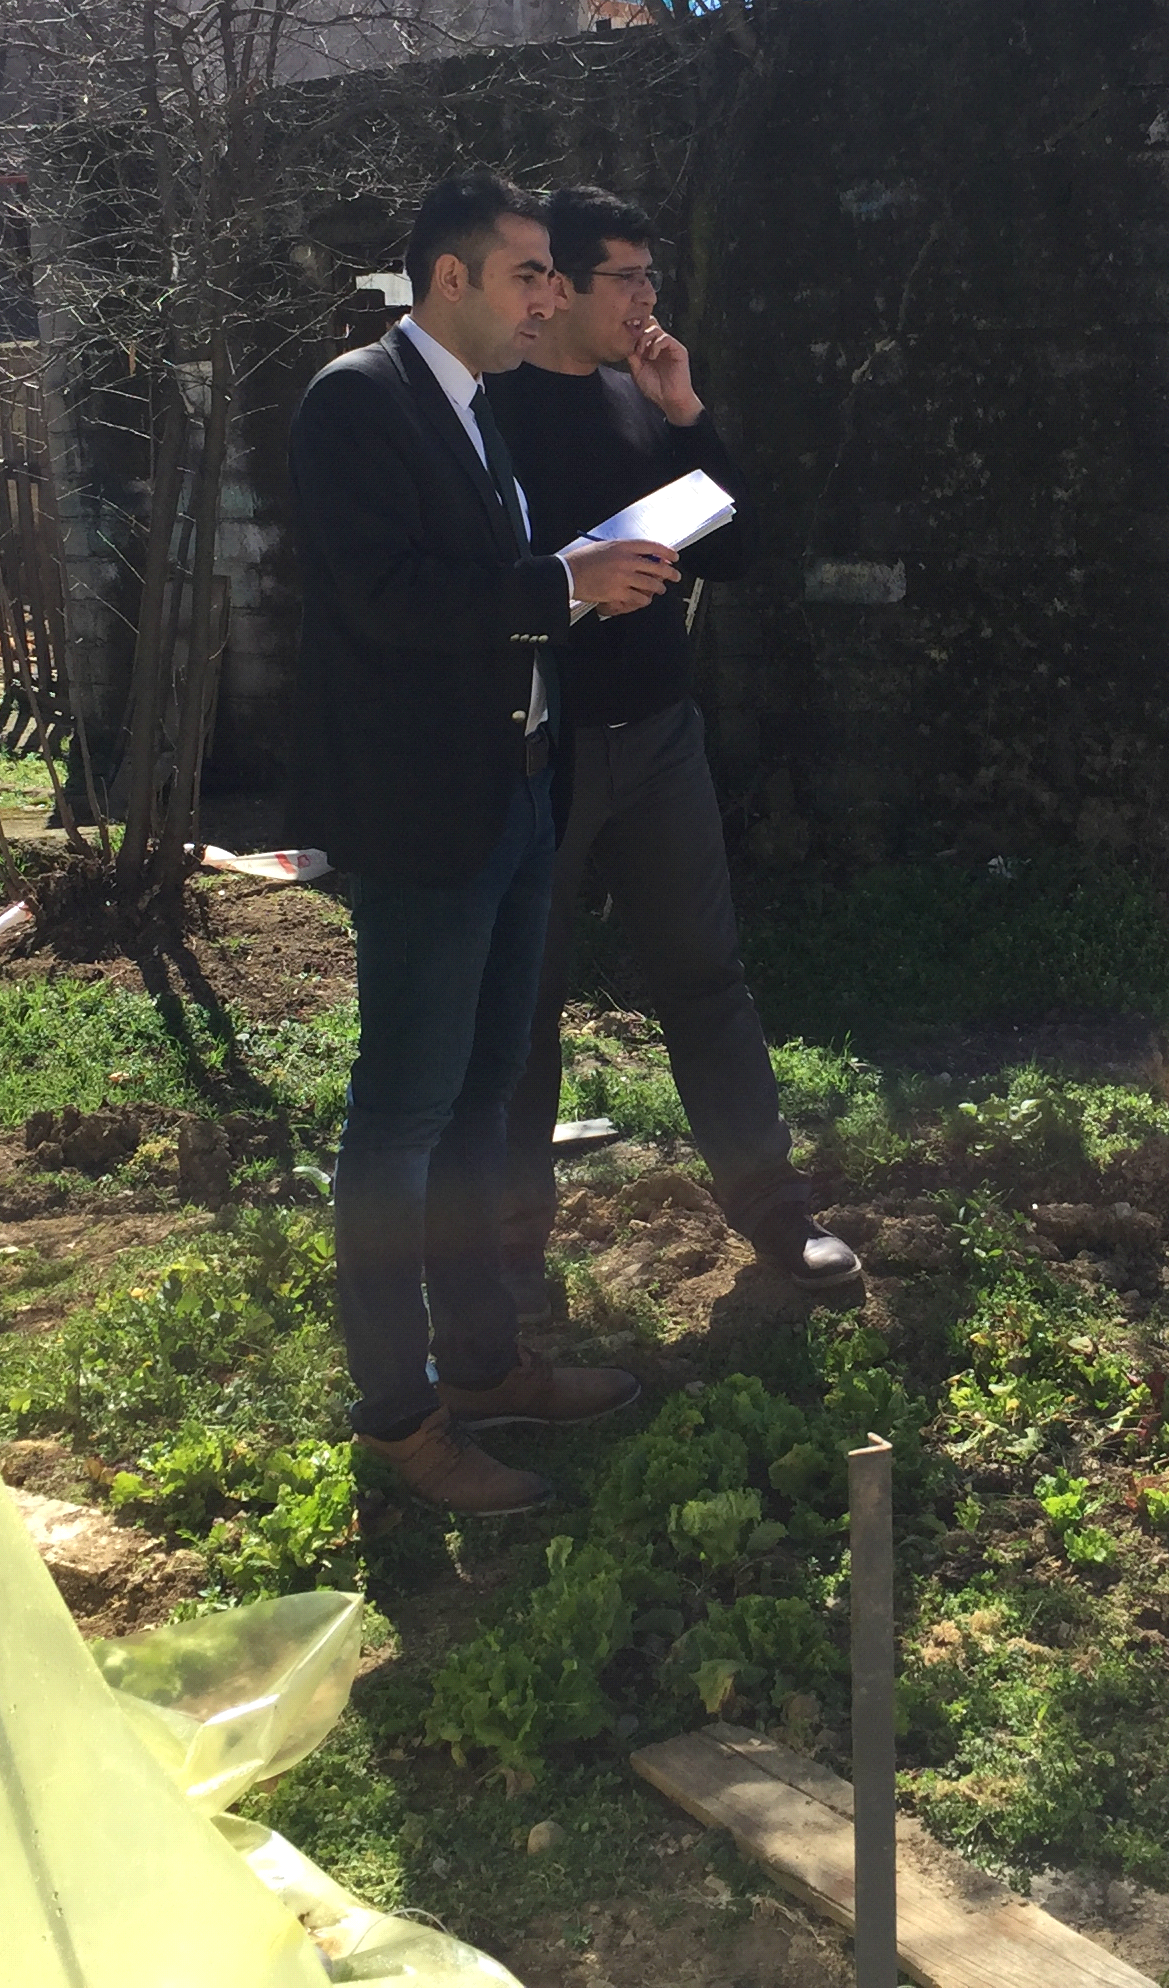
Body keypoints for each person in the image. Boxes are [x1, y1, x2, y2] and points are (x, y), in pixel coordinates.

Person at [283, 168, 681, 1517]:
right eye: (529, 275)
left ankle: (485, 1363)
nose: (551, 298)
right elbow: (385, 599)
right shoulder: (357, 401)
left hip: (512, 798)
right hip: (421, 817)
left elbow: (484, 595)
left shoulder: (473, 410)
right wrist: (561, 587)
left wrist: (576, 587)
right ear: (448, 277)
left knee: (477, 1100)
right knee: (399, 1124)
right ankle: (400, 1421)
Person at [487, 185, 862, 1302]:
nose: (648, 300)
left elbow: (738, 553)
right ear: (554, 289)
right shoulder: (489, 414)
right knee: (524, 999)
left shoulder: (639, 402)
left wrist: (687, 412)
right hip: (535, 751)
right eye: (628, 279)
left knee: (706, 979)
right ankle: (510, 1249)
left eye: (654, 277)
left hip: (657, 737)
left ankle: (778, 1219)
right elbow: (462, 588)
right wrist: (571, 584)